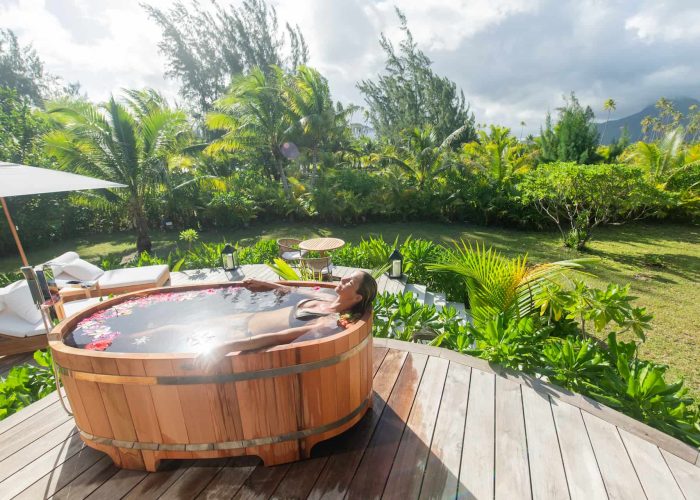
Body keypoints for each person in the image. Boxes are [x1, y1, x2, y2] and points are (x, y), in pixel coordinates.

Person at [195, 270, 377, 368]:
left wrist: (224, 347)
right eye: (348, 276)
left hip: (241, 333)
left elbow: (279, 337)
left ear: (357, 298)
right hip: (244, 318)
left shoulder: (330, 321)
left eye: (350, 282)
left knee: (173, 330)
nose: (343, 278)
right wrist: (265, 284)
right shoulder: (327, 297)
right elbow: (293, 292)